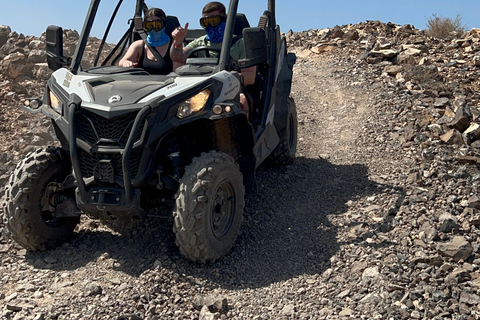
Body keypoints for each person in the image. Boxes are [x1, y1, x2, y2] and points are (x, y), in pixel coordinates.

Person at [170, 2, 256, 115]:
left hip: (231, 90)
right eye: (205, 23)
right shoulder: (199, 42)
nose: (210, 26)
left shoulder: (241, 44)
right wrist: (177, 43)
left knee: (242, 101)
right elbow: (179, 58)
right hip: (201, 90)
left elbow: (250, 77)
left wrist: (227, 78)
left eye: (214, 21)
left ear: (225, 20)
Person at [119, 8, 181, 74]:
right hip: (143, 83)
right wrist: (126, 63)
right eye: (149, 26)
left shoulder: (175, 46)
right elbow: (123, 61)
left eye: (157, 25)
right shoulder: (138, 45)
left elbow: (177, 73)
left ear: (164, 25)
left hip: (168, 83)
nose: (153, 29)